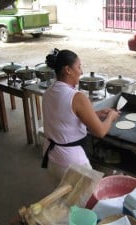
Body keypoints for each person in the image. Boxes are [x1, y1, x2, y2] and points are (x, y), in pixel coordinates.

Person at [42, 48, 120, 183]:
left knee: (61, 196)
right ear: (68, 70)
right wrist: (110, 117)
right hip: (71, 163)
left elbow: (64, 117)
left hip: (51, 156)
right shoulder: (77, 97)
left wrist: (95, 114)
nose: (81, 71)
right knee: (84, 201)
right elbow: (100, 131)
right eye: (78, 67)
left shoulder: (49, 92)